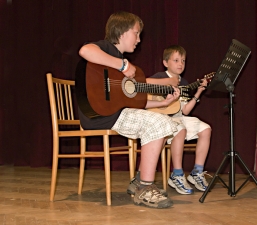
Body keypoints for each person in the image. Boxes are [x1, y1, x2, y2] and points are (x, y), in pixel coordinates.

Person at [77, 11, 183, 209]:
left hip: (116, 112)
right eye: (136, 33)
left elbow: (134, 103)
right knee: (159, 122)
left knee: (167, 123)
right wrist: (123, 65)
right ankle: (144, 187)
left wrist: (162, 103)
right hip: (101, 114)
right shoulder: (107, 50)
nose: (139, 39)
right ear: (123, 32)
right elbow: (85, 50)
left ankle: (139, 180)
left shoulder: (122, 68)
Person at [146, 45, 212, 194]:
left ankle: (197, 172)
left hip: (179, 117)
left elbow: (184, 110)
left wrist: (198, 92)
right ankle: (177, 174)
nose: (180, 64)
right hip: (163, 119)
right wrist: (166, 85)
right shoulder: (159, 77)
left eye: (183, 60)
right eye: (176, 60)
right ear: (165, 63)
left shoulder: (185, 83)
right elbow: (144, 83)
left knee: (206, 129)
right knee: (180, 130)